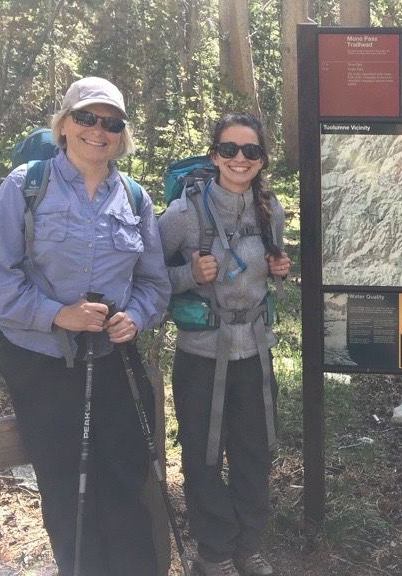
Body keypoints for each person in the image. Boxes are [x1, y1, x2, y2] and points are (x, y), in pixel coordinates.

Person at [0, 77, 170, 575]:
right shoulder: (26, 184)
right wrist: (57, 314)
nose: (98, 130)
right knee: (67, 490)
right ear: (64, 125)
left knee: (126, 482)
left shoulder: (133, 196)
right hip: (42, 364)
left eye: (111, 123)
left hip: (112, 361)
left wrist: (137, 316)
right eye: (86, 118)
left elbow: (154, 283)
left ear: (122, 134)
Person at [158, 112, 290, 576]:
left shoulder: (271, 209)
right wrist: (187, 275)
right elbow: (147, 276)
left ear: (262, 159)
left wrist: (279, 267)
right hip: (200, 354)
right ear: (214, 154)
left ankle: (247, 547)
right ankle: (213, 554)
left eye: (250, 151)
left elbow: (272, 261)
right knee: (203, 453)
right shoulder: (183, 213)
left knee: (255, 450)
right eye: (229, 149)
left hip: (254, 348)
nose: (239, 159)